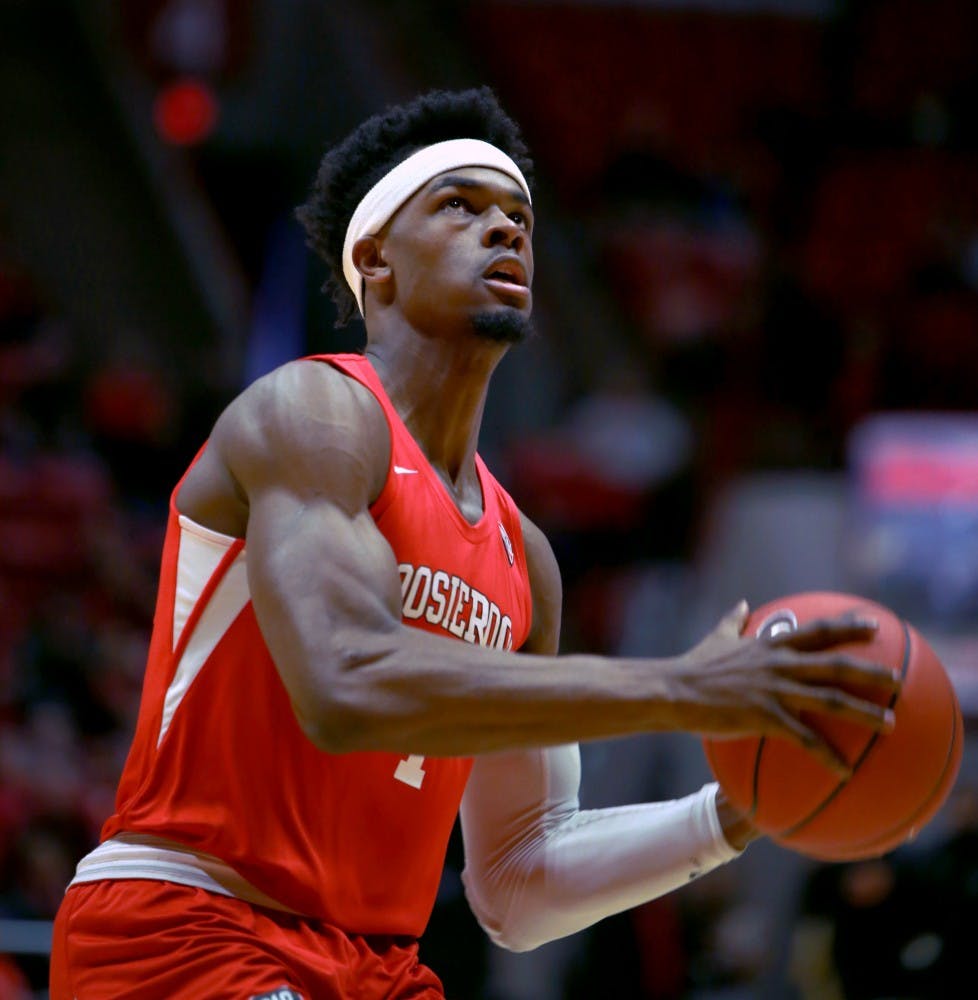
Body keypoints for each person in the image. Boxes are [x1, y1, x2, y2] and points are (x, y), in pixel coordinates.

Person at [49, 87, 898, 1000]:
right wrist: (680, 687)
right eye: (460, 205)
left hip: (376, 967)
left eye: (519, 215)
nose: (505, 230)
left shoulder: (524, 557)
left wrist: (732, 814)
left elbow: (520, 885)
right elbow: (346, 685)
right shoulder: (315, 415)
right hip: (190, 929)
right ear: (374, 258)